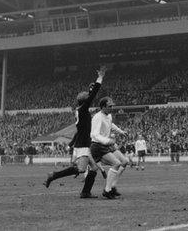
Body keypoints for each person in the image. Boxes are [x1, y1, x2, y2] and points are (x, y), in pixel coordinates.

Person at [43, 66, 106, 198]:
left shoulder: (80, 110)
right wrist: (100, 78)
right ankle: (53, 175)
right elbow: (92, 96)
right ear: (85, 102)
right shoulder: (83, 110)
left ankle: (85, 192)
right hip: (82, 145)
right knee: (81, 169)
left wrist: (91, 87)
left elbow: (89, 97)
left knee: (94, 169)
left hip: (83, 144)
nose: (89, 99)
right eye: (87, 98)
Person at [90, 97, 129, 199]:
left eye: (112, 106)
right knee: (116, 163)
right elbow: (95, 134)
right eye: (109, 106)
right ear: (103, 107)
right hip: (98, 146)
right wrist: (107, 141)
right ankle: (107, 191)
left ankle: (112, 187)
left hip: (107, 144)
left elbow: (111, 124)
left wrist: (120, 131)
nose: (112, 108)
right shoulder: (97, 117)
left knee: (124, 161)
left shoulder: (109, 115)